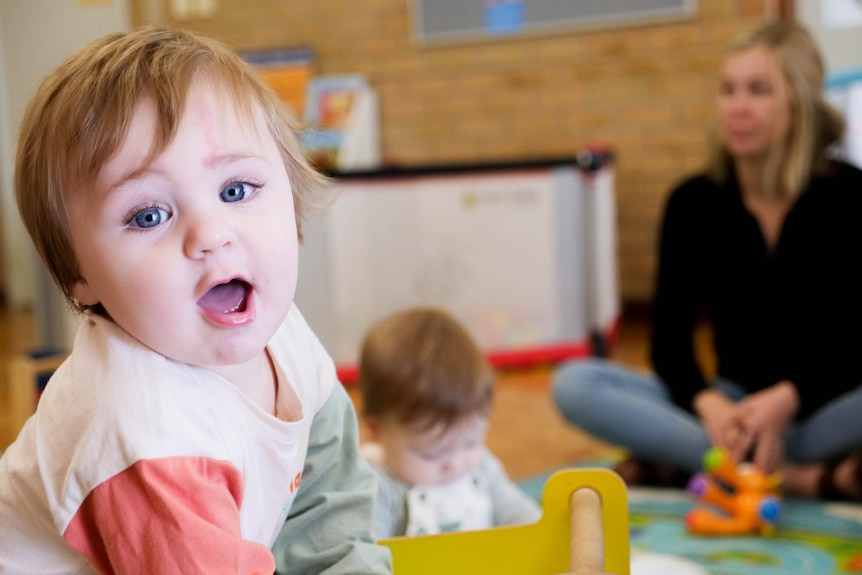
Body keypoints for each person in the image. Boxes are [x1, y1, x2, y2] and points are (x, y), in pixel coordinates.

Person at [0, 26, 391, 574]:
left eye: (235, 190)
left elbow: (326, 506)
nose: (210, 233)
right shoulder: (143, 432)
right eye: (148, 216)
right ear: (77, 277)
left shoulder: (284, 335)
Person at [552, 19, 862, 500]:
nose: (737, 107)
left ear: (798, 106)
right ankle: (800, 478)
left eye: (758, 90)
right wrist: (711, 404)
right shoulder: (690, 203)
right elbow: (668, 345)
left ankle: (695, 464)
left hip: (822, 407)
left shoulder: (850, 195)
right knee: (574, 383)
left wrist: (788, 397)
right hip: (729, 406)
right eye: (727, 89)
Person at [356, 306, 542, 538]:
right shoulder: (373, 485)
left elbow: (522, 516)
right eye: (432, 454)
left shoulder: (481, 467)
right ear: (376, 431)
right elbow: (364, 554)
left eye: (470, 443)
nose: (455, 464)